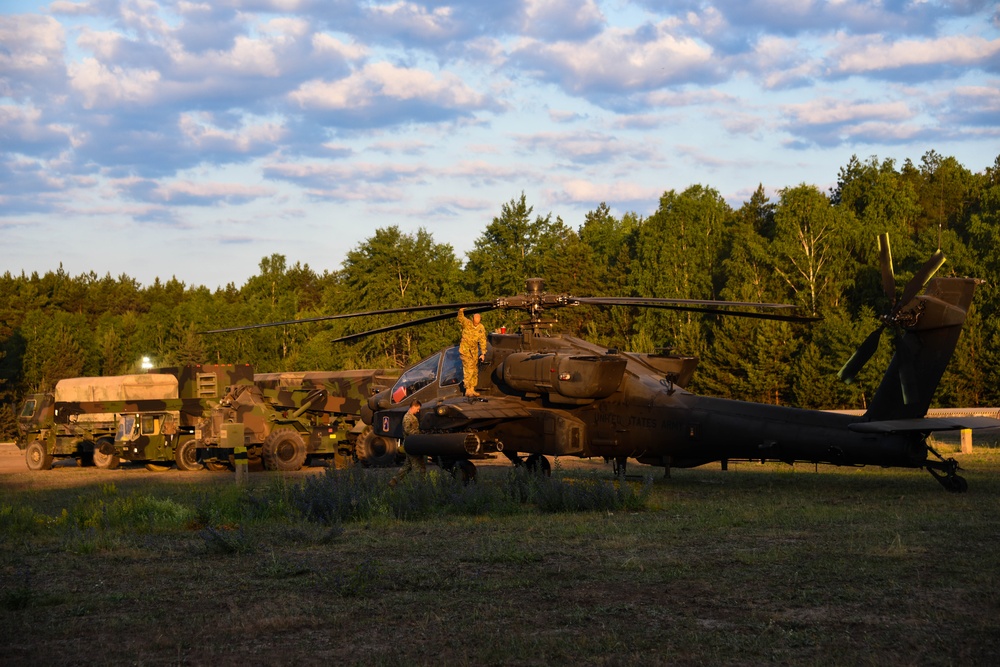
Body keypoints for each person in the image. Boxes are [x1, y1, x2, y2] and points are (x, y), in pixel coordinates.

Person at [389, 401, 425, 487]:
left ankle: (394, 481)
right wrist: (419, 434)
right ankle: (419, 485)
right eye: (418, 408)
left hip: (412, 444)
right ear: (413, 407)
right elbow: (407, 430)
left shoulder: (411, 417)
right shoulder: (407, 417)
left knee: (407, 466)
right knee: (418, 466)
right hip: (412, 444)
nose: (418, 411)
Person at [457, 307, 488, 396]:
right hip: (465, 351)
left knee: (474, 371)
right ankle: (467, 389)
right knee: (468, 370)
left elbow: (482, 340)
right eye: (475, 320)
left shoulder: (481, 328)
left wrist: (483, 353)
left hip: (474, 351)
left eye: (477, 320)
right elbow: (460, 319)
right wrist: (461, 311)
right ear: (472, 319)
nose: (476, 322)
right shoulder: (467, 323)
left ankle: (472, 388)